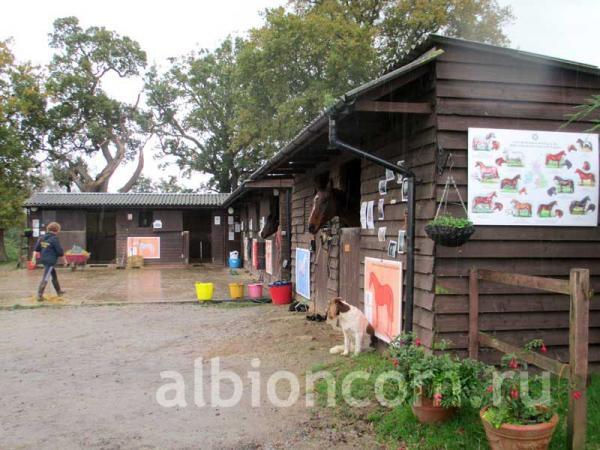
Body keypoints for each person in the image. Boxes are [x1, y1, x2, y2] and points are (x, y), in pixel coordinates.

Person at [34, 222, 65, 301]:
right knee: (46, 277)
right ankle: (39, 295)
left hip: (44, 259)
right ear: (56, 230)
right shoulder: (54, 238)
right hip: (50, 261)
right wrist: (64, 259)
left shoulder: (42, 237)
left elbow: (37, 249)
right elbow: (60, 251)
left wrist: (34, 258)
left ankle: (59, 291)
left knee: (53, 275)